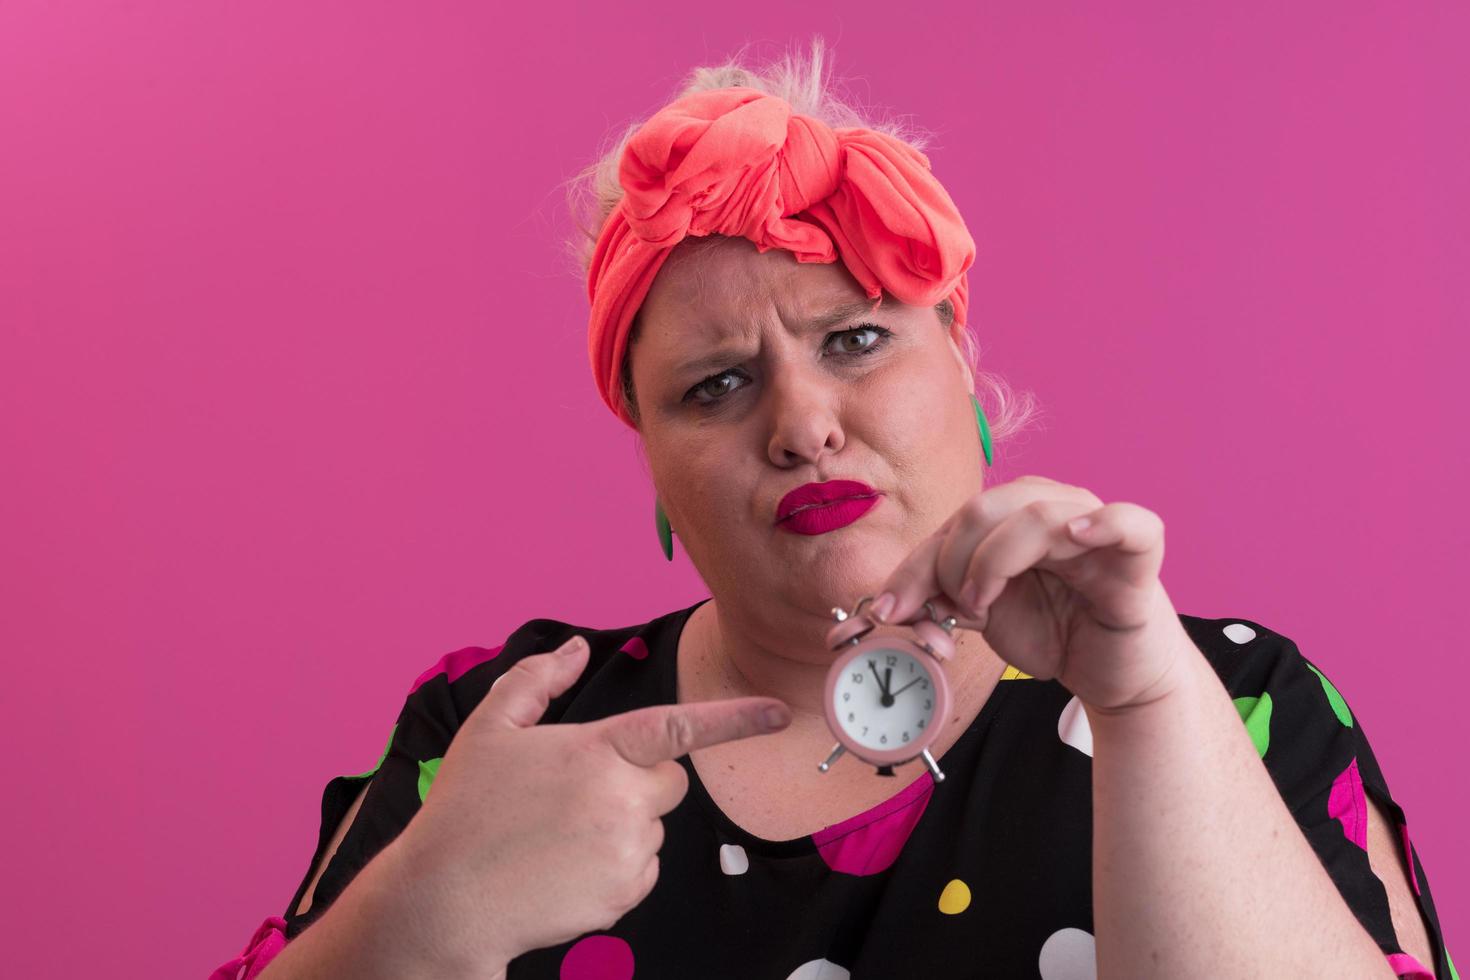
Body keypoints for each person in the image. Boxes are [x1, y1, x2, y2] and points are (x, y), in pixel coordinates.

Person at [213, 42, 1453, 979]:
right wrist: (416, 915)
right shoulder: (502, 731)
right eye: (717, 383)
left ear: (963, 361)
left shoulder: (1221, 694)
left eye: (857, 337)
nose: (802, 422)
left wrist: (1143, 704)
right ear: (650, 453)